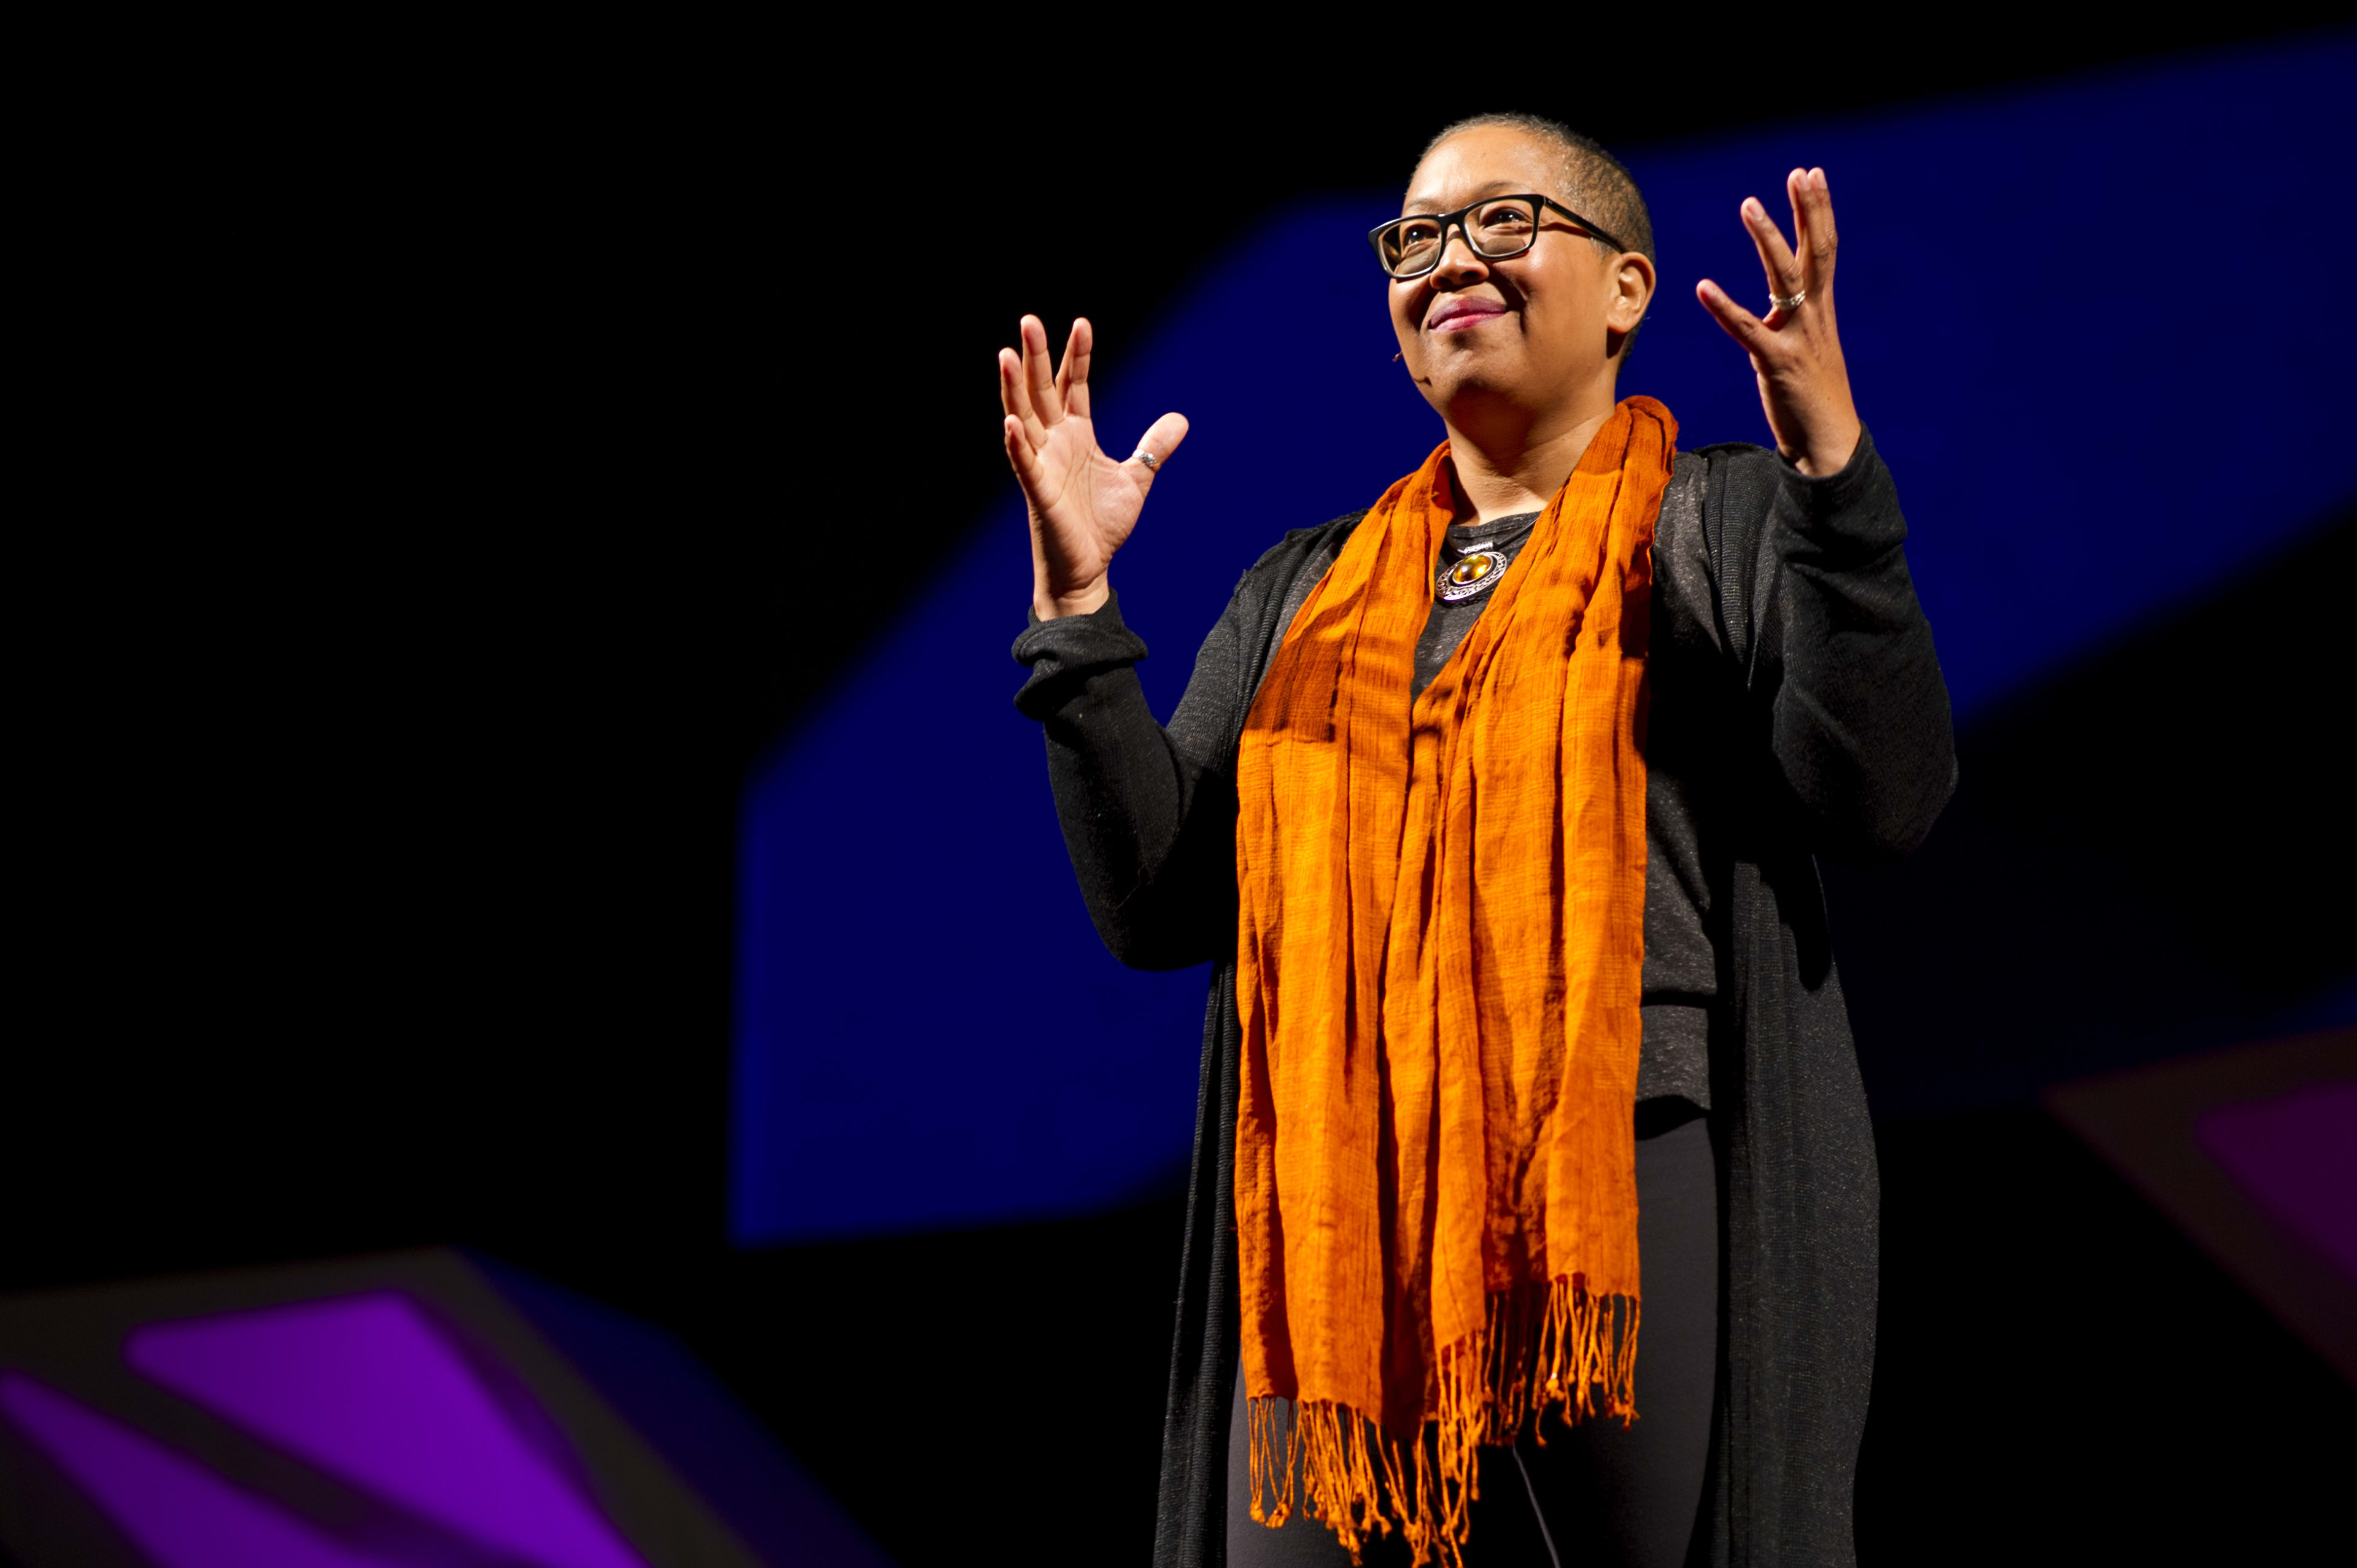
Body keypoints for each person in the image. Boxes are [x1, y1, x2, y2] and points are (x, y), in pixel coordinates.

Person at [1001, 113, 1953, 1568]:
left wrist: (1834, 484)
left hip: (1614, 1184)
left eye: (1504, 222)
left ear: (1628, 287)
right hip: (1335, 1215)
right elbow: (1158, 899)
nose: (1451, 260)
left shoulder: (1718, 523)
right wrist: (1078, 619)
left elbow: (1882, 800)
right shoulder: (1301, 595)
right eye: (1418, 237)